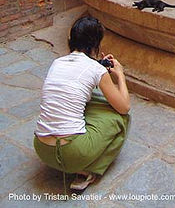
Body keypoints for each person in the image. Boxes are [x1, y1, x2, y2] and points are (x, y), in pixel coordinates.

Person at [33, 15, 131, 191]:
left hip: (41, 148)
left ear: (71, 40)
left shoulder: (57, 62)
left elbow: (74, 82)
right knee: (122, 118)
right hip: (72, 153)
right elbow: (124, 106)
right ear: (96, 43)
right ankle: (86, 172)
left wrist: (99, 67)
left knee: (88, 101)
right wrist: (120, 75)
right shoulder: (96, 69)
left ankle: (74, 162)